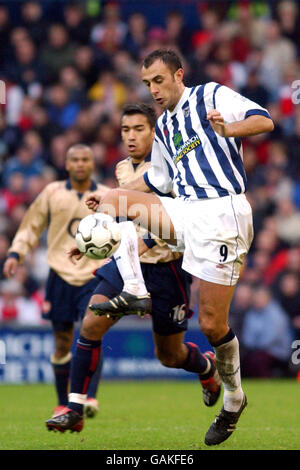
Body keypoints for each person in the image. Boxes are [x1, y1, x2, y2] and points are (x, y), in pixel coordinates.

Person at [85, 49, 274, 445]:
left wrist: (230, 131)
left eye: (158, 80)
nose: (153, 90)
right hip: (186, 211)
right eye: (146, 84)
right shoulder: (166, 125)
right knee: (118, 200)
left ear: (178, 75)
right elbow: (157, 180)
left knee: (211, 324)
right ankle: (135, 291)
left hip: (224, 213)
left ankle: (235, 398)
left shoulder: (210, 96)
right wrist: (108, 195)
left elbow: (264, 120)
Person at [45, 103, 221, 433]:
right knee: (90, 323)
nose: (130, 136)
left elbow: (183, 219)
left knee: (169, 355)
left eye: (138, 129)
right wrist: (86, 241)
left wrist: (151, 243)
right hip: (128, 266)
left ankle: (206, 368)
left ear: (154, 132)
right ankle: (74, 409)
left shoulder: (171, 169)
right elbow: (122, 216)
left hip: (168, 269)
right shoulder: (123, 169)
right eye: (125, 130)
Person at [3, 144, 106, 418]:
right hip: (59, 274)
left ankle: (89, 397)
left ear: (92, 163)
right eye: (75, 159)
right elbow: (31, 225)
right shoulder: (52, 193)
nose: (81, 164)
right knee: (62, 342)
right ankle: (63, 402)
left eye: (86, 159)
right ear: (67, 164)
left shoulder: (107, 196)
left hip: (94, 275)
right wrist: (16, 253)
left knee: (91, 331)